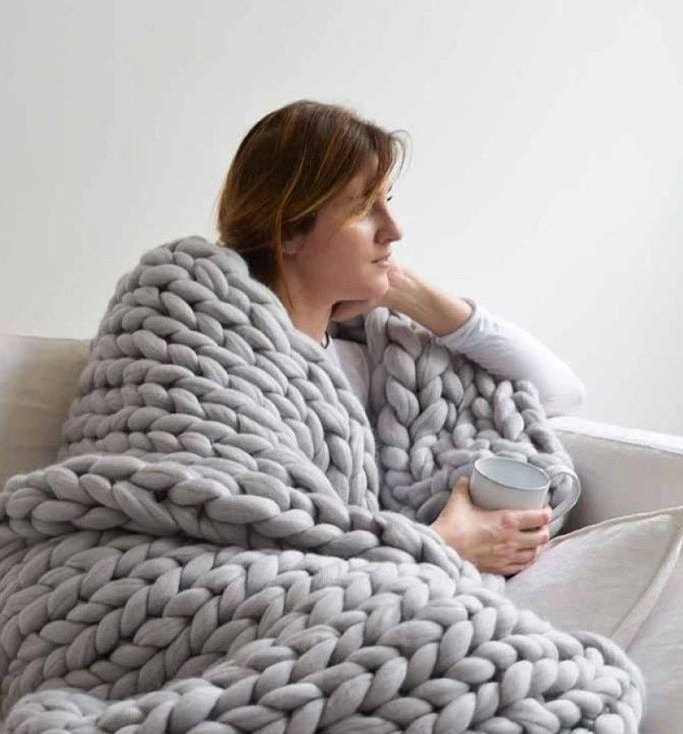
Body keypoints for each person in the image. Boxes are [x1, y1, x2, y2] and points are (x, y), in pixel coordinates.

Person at [216, 99, 585, 577]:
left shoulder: (373, 355)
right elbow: (264, 561)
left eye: (387, 201)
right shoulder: (224, 369)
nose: (393, 230)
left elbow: (561, 391)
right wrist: (445, 545)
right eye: (363, 208)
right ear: (287, 231)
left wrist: (409, 293)